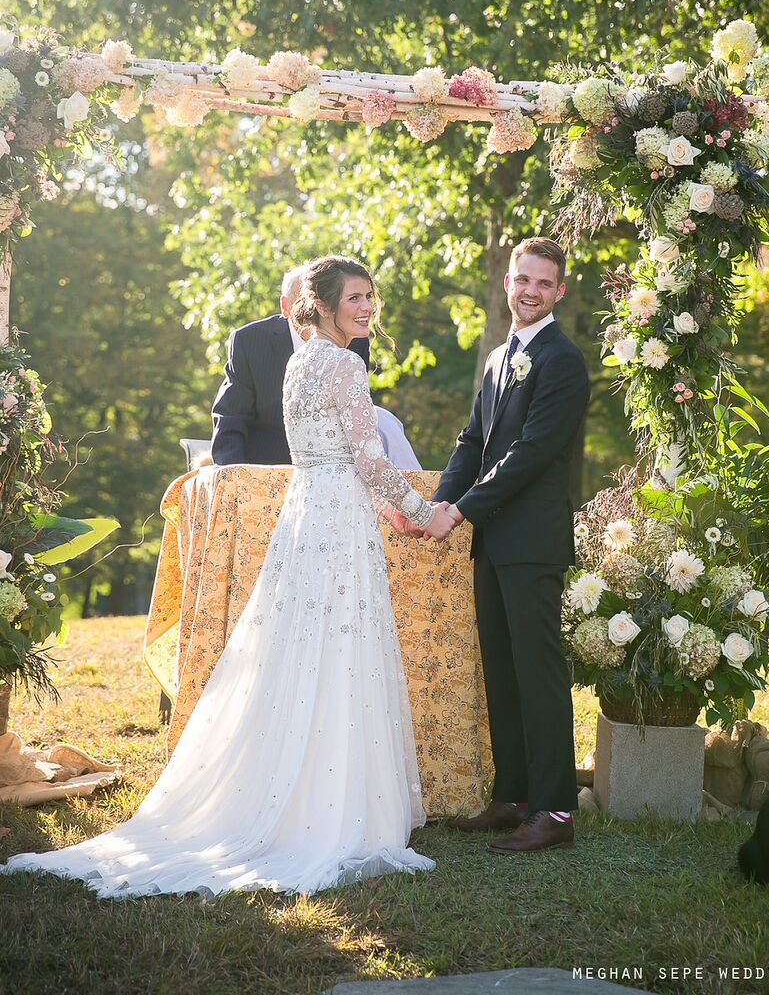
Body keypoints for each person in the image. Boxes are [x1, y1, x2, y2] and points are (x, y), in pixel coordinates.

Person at [1, 256, 454, 897]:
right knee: (339, 650)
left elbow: (333, 454)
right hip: (336, 523)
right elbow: (370, 461)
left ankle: (297, 796)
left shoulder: (300, 362)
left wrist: (387, 503)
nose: (366, 309)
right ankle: (331, 810)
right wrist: (420, 511)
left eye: (370, 298)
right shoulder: (345, 365)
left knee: (301, 653)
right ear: (321, 305)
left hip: (307, 518)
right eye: (355, 298)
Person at [431, 237, 590, 854]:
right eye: (523, 280)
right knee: (500, 669)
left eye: (544, 284)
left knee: (539, 673)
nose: (531, 292)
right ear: (507, 282)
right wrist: (442, 502)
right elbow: (473, 441)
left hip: (532, 542)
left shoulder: (562, 360)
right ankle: (515, 796)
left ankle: (553, 811)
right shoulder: (501, 357)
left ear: (559, 292)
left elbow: (530, 455)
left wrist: (463, 511)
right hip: (494, 541)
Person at [210, 263, 370, 465]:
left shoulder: (356, 338)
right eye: (304, 302)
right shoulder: (250, 341)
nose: (313, 310)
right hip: (266, 470)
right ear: (286, 307)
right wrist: (234, 477)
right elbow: (231, 417)